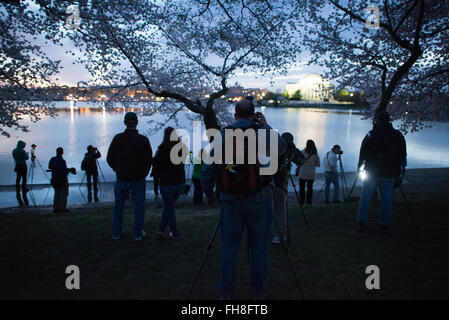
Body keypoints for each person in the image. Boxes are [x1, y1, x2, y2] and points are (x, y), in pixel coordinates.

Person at [201, 99, 287, 300]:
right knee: (259, 248)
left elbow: (209, 166)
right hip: (261, 196)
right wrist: (265, 125)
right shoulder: (263, 132)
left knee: (229, 247)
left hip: (230, 198)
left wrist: (208, 193)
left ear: (235, 115)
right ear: (254, 114)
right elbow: (283, 149)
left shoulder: (224, 135)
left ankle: (225, 293)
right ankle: (258, 293)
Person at [356, 111, 407, 233]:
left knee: (365, 197)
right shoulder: (398, 135)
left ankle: (362, 220)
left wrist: (359, 167)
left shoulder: (371, 135)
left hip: (372, 170)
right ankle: (385, 222)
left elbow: (363, 153)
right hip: (390, 172)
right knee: (387, 199)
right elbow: (402, 155)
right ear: (389, 120)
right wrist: (401, 171)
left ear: (377, 120)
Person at [107, 112, 152, 241]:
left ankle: (116, 232)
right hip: (138, 178)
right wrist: (143, 173)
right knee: (139, 206)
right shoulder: (143, 140)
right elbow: (148, 160)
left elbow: (110, 158)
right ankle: (137, 233)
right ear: (137, 122)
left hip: (121, 177)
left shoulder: (117, 139)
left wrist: (118, 169)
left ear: (125, 123)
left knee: (118, 206)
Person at [152, 127, 188, 240]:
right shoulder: (182, 148)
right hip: (179, 183)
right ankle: (161, 229)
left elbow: (156, 168)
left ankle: (174, 233)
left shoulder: (161, 150)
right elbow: (189, 157)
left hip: (166, 183)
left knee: (169, 208)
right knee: (169, 207)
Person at [272, 132, 304, 244]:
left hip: (269, 182)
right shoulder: (293, 150)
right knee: (280, 210)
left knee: (267, 208)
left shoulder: (276, 146)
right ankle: (280, 235)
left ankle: (265, 233)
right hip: (282, 184)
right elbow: (302, 160)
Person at [48, 147, 76, 213]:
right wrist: (69, 170)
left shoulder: (52, 159)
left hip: (54, 179)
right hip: (62, 180)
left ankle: (56, 208)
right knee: (63, 194)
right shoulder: (62, 161)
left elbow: (50, 167)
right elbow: (64, 171)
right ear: (62, 152)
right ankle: (62, 208)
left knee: (56, 194)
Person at [298, 139, 320, 204]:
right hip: (311, 174)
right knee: (310, 189)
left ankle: (301, 201)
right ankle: (309, 201)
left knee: (302, 188)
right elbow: (318, 165)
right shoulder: (315, 154)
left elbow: (298, 161)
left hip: (302, 173)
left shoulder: (302, 152)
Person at [12, 140, 29, 207]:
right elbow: (27, 158)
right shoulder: (22, 151)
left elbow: (14, 157)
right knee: (24, 178)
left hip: (17, 165)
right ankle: (24, 188)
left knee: (18, 177)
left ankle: (17, 188)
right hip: (23, 165)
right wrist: (26, 155)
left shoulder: (14, 151)